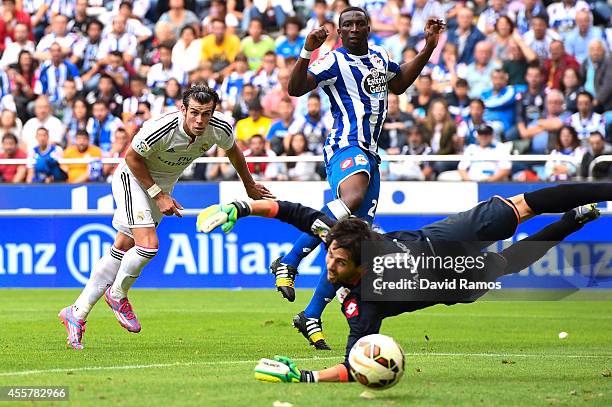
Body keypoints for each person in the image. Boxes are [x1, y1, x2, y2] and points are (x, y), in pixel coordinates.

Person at [197, 183, 606, 383]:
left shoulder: (365, 283)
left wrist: (307, 377)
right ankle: (573, 220)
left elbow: (291, 212)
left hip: (444, 240)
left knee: (522, 205)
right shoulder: (364, 292)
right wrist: (242, 206)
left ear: (359, 262)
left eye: (337, 262)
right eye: (331, 258)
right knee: (507, 263)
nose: (328, 266)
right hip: (452, 281)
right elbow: (349, 364)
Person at [272, 6, 445, 350]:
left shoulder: (380, 56)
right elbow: (295, 89)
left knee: (352, 242)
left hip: (371, 153)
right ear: (339, 30)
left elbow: (399, 84)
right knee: (350, 199)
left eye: (358, 23)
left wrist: (427, 48)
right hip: (345, 146)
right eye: (346, 24)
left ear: (368, 27)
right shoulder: (333, 61)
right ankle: (289, 259)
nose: (352, 28)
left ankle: (310, 313)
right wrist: (307, 50)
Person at [58, 84, 274, 350]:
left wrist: (249, 185)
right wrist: (158, 194)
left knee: (122, 248)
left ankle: (76, 313)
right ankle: (117, 294)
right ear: (182, 109)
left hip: (163, 186)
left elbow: (233, 151)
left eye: (206, 114)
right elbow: (132, 158)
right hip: (133, 178)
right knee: (148, 245)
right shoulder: (160, 127)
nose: (199, 120)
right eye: (194, 112)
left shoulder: (220, 128)